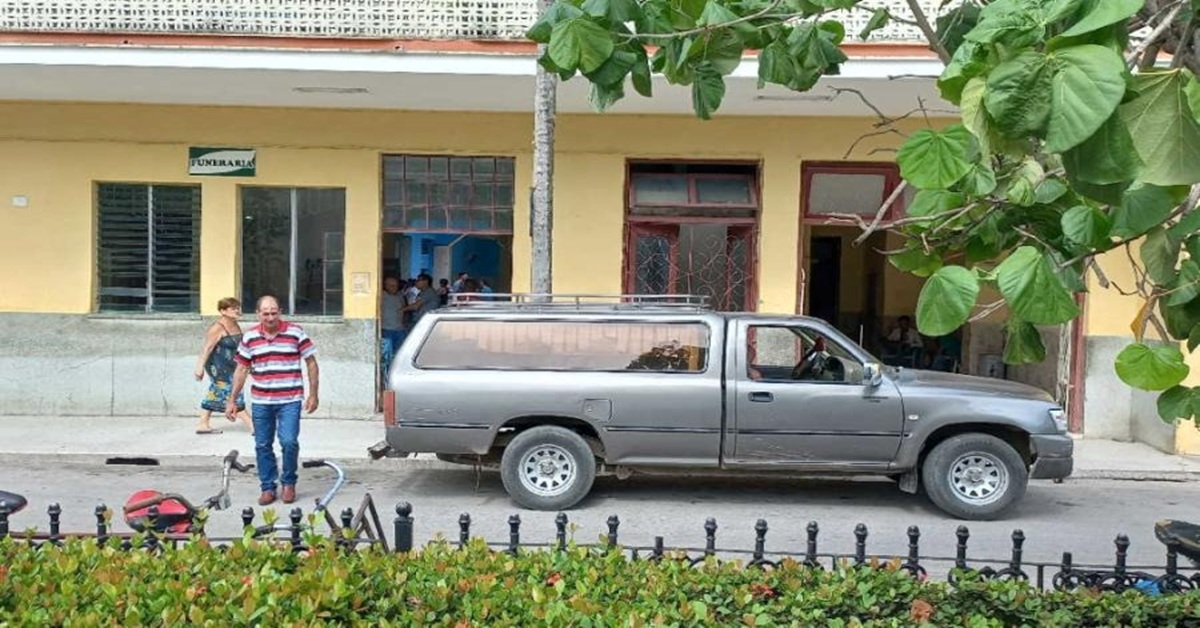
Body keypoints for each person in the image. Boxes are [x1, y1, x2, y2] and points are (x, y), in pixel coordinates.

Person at [227, 295, 319, 506]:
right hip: (261, 401)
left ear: (280, 312)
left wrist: (313, 394)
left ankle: (288, 482)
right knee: (262, 444)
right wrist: (232, 400)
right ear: (258, 314)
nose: (270, 317)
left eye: (274, 312)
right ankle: (268, 486)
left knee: (288, 442)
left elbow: (311, 363)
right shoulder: (250, 337)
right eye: (265, 313)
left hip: (290, 399)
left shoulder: (295, 332)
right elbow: (241, 368)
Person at [193, 297, 253, 435]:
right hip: (218, 367)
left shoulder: (235, 324)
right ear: (223, 311)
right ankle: (252, 425)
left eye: (238, 307)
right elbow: (207, 348)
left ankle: (203, 423)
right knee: (231, 392)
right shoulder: (217, 328)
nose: (237, 311)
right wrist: (199, 367)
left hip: (232, 365)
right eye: (233, 308)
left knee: (216, 392)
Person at [380, 277, 405, 378]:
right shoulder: (381, 296)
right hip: (387, 330)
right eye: (392, 286)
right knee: (387, 356)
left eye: (396, 285)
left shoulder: (400, 296)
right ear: (386, 286)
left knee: (400, 355)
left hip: (399, 330)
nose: (395, 287)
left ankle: (397, 374)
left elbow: (403, 310)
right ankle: (387, 376)